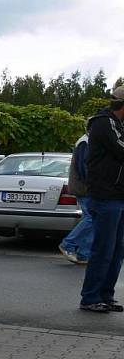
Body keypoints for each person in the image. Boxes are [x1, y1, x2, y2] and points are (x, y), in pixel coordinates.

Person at [79, 86, 124, 313]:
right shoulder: (103, 123)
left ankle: (106, 295)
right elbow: (121, 150)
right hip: (106, 196)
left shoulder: (118, 125)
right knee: (103, 249)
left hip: (118, 196)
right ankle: (90, 297)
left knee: (117, 250)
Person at [59, 129, 91, 264]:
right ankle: (68, 244)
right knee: (92, 218)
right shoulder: (85, 142)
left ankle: (84, 253)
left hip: (83, 187)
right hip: (84, 188)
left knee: (90, 219)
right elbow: (85, 169)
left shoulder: (85, 140)